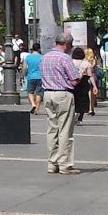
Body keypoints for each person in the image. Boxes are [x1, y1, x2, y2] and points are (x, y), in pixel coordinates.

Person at [38, 32, 84, 174]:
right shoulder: (64, 58)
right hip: (63, 94)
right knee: (65, 130)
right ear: (67, 45)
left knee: (52, 128)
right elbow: (74, 80)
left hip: (47, 93)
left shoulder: (44, 57)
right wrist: (81, 74)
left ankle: (52, 163)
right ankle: (65, 164)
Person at [70, 46, 97, 121]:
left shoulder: (70, 62)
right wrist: (94, 86)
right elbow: (90, 75)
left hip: (72, 82)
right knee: (82, 100)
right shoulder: (86, 63)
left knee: (73, 99)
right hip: (83, 82)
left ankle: (74, 113)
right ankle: (80, 118)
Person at [22, 44, 44, 111]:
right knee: (39, 93)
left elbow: (24, 67)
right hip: (40, 77)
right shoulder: (42, 57)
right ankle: (37, 108)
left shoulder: (28, 57)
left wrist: (23, 75)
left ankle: (33, 104)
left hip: (30, 76)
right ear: (39, 49)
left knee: (30, 92)